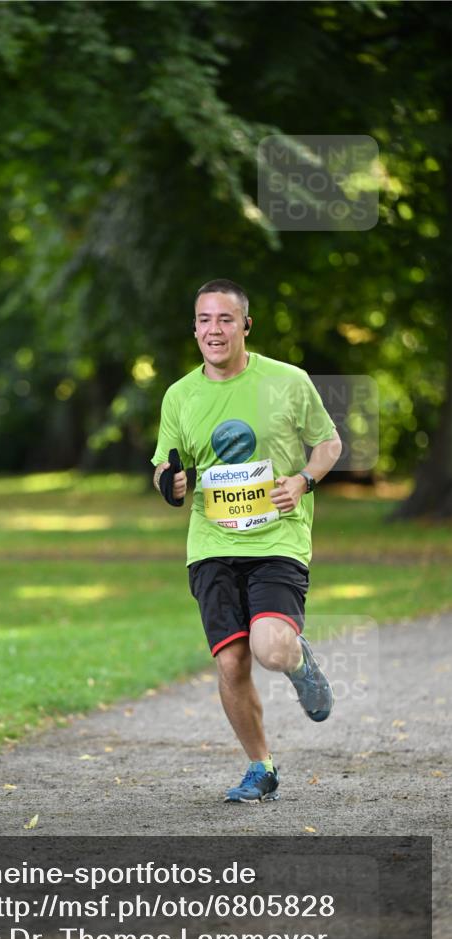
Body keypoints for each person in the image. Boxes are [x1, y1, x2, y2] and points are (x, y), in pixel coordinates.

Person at [152, 278, 343, 803]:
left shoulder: (287, 381)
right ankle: (260, 767)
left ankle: (300, 663)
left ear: (245, 325)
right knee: (232, 660)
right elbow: (165, 468)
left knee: (271, 649)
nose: (215, 330)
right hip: (211, 544)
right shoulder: (180, 396)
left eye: (226, 319)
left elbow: (329, 443)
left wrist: (303, 479)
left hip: (278, 537)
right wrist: (171, 484)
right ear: (194, 328)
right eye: (205, 320)